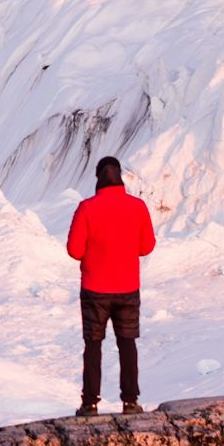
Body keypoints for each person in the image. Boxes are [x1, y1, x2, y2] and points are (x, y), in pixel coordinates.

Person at [65, 156, 156, 416]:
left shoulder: (87, 208)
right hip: (128, 288)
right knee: (127, 343)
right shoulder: (137, 207)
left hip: (94, 290)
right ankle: (130, 401)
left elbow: (74, 250)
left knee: (93, 345)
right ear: (120, 178)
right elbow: (147, 246)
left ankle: (90, 404)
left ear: (98, 178)